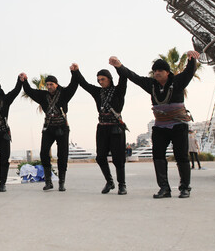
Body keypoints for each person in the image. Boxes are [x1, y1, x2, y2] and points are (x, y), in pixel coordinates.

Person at [110, 51, 200, 199]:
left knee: (181, 156)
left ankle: (185, 188)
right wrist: (119, 66)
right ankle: (164, 188)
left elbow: (189, 72)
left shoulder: (177, 82)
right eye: (155, 71)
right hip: (160, 126)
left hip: (178, 125)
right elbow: (134, 77)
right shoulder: (151, 85)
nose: (157, 73)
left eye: (160, 71)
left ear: (167, 72)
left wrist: (191, 59)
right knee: (158, 155)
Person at [70, 62, 128, 195]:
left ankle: (122, 185)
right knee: (100, 157)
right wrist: (76, 71)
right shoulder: (98, 92)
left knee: (118, 159)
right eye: (98, 80)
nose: (100, 82)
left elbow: (124, 78)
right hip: (102, 128)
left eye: (103, 79)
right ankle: (109, 181)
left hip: (116, 128)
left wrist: (118, 66)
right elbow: (84, 84)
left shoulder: (119, 90)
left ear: (109, 79)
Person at [21, 72, 78, 192]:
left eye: (51, 84)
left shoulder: (64, 94)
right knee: (43, 153)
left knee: (62, 155)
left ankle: (61, 182)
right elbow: (29, 91)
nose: (49, 86)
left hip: (62, 127)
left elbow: (73, 85)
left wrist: (74, 72)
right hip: (48, 128)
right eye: (47, 84)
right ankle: (48, 181)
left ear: (56, 85)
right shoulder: (43, 95)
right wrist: (24, 80)